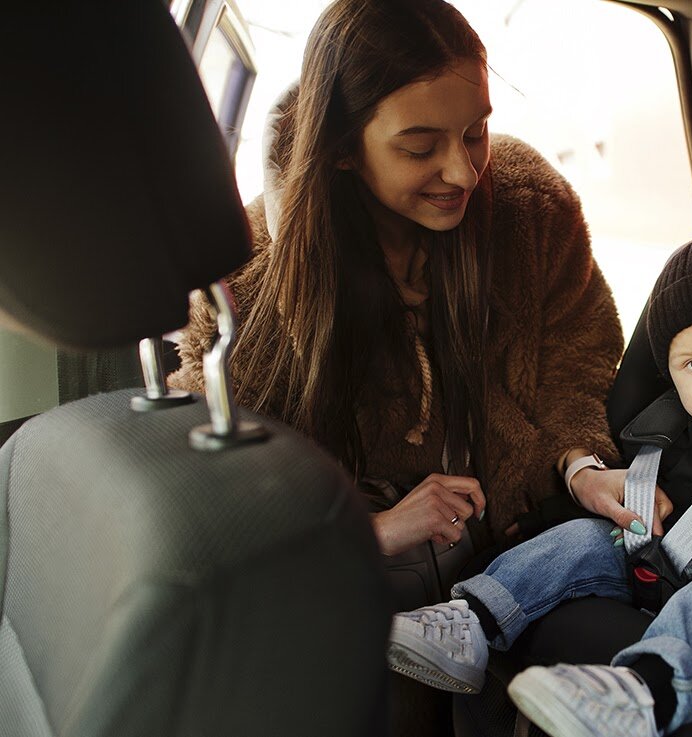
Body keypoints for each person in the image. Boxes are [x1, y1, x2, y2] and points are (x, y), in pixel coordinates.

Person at [168, 0, 661, 733]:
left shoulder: (531, 212)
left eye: (476, 131)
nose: (462, 169)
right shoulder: (246, 285)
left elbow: (577, 362)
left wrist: (582, 464)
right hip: (352, 589)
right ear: (341, 146)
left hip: (516, 552)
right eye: (420, 145)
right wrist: (371, 531)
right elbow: (226, 505)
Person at [385, 235, 692, 736]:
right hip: (654, 560)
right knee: (583, 537)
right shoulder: (672, 422)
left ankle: (640, 693)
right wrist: (538, 521)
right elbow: (625, 495)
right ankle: (470, 624)